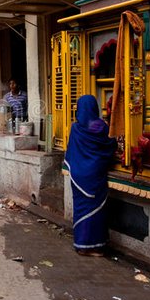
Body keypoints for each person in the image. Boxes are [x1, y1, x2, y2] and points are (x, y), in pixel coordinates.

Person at [64, 95, 117, 257]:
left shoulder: (76, 128)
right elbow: (110, 146)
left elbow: (71, 151)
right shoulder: (100, 127)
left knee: (81, 209)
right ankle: (94, 246)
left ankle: (82, 245)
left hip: (78, 175)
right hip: (95, 173)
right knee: (96, 211)